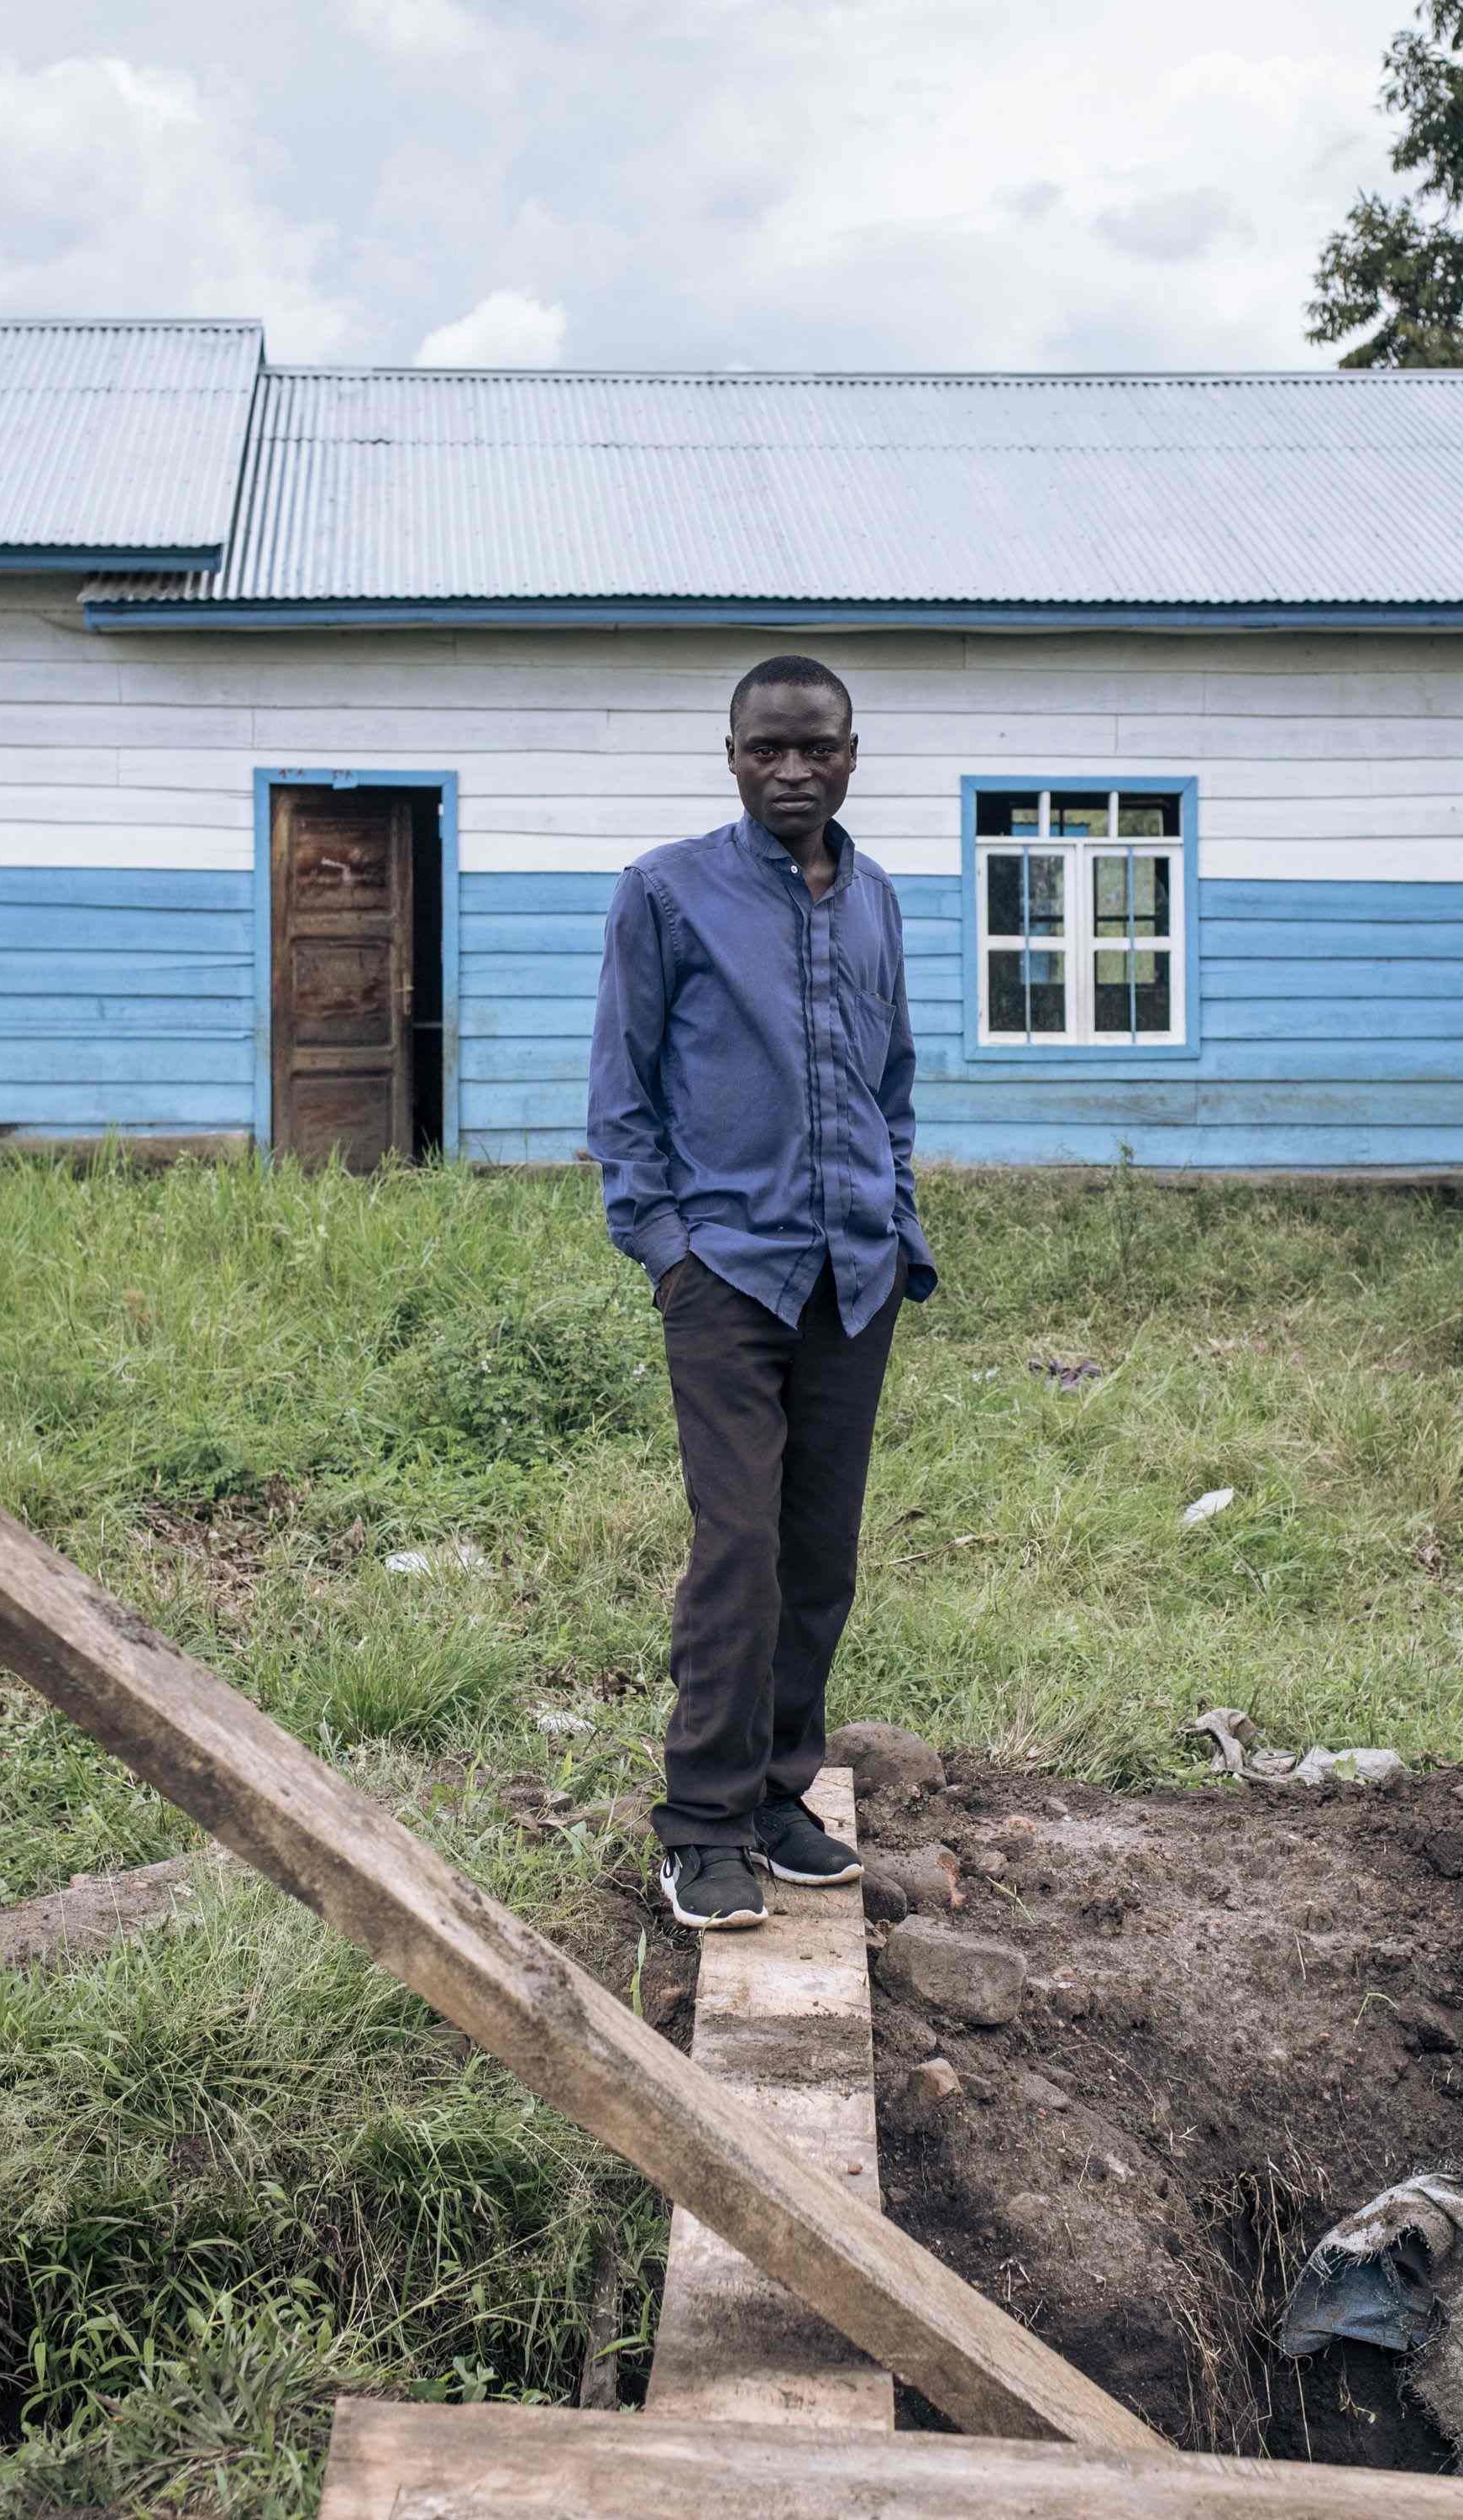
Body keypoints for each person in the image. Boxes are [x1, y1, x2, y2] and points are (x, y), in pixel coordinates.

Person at [587, 654, 936, 1931]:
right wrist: (667, 1247)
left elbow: (891, 1082)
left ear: (853, 753)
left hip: (855, 1278)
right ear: (730, 757)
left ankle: (783, 1794)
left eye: (816, 749)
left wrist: (895, 1219)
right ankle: (698, 1826)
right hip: (727, 1276)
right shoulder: (667, 894)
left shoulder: (879, 899)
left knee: (816, 1553)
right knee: (737, 1551)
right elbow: (622, 1099)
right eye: (766, 751)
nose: (793, 772)